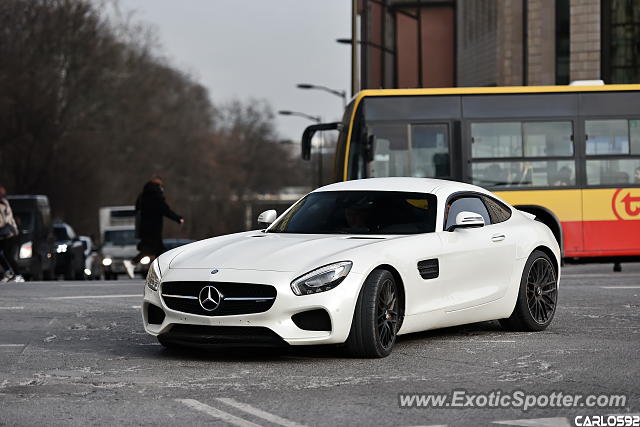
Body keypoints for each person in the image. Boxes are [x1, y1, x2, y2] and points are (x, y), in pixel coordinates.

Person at [124, 176, 184, 278]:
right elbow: (166, 210)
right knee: (150, 249)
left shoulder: (142, 196)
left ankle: (157, 274)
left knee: (158, 250)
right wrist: (178, 218)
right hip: (154, 228)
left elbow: (137, 210)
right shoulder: (157, 197)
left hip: (143, 227)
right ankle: (132, 263)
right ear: (158, 186)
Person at [0, 186, 24, 282]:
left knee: (8, 254)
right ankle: (9, 272)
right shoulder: (5, 202)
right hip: (6, 233)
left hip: (9, 233)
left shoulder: (2, 204)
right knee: (5, 254)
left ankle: (18, 275)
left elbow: (3, 221)